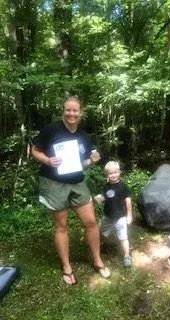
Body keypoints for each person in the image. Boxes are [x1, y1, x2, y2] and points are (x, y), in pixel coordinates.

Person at [31, 96, 111, 285]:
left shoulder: (84, 135)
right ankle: (67, 266)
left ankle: (97, 260)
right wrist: (47, 160)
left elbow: (81, 163)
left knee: (91, 222)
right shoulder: (51, 130)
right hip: (53, 182)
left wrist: (92, 160)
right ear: (63, 111)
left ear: (80, 113)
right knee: (61, 226)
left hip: (77, 181)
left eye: (75, 111)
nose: (71, 114)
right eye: (68, 110)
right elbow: (34, 150)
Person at [95, 161, 133, 267]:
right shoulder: (106, 186)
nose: (113, 175)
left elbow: (128, 201)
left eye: (115, 172)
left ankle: (127, 256)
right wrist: (100, 199)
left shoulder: (123, 186)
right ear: (106, 175)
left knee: (123, 237)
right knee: (101, 233)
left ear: (119, 172)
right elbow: (105, 198)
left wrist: (129, 215)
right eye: (110, 173)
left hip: (120, 217)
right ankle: (100, 246)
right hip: (108, 216)